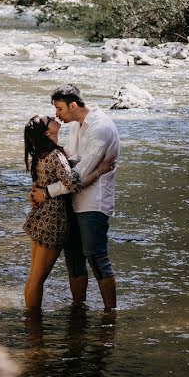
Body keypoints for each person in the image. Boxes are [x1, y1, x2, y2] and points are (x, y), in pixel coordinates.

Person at [30, 84, 120, 312]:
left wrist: (45, 192)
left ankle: (110, 314)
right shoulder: (76, 126)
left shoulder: (100, 128)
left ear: (73, 105)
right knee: (74, 260)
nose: (56, 115)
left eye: (59, 109)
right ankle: (78, 310)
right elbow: (69, 161)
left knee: (96, 257)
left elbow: (77, 176)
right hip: (69, 202)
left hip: (93, 203)